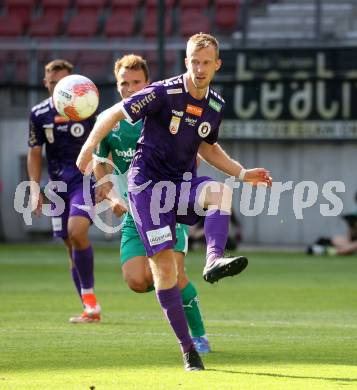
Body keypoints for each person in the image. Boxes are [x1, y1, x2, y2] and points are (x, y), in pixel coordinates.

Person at [77, 33, 272, 370]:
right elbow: (109, 115)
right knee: (163, 270)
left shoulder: (215, 105)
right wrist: (87, 148)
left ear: (216, 65)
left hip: (180, 185)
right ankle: (188, 350)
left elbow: (208, 147)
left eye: (206, 62)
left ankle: (212, 261)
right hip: (147, 191)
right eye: (194, 62)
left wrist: (241, 173)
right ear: (186, 62)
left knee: (220, 193)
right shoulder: (162, 93)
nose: (199, 68)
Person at [92, 54, 211, 353]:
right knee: (136, 280)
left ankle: (198, 336)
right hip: (135, 213)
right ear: (116, 84)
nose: (130, 89)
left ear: (148, 83)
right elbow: (100, 167)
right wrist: (113, 196)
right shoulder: (109, 120)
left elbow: (193, 153)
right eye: (124, 83)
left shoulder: (163, 112)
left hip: (167, 207)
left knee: (175, 274)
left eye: (137, 82)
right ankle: (167, 287)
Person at [27, 59, 101, 323]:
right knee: (70, 246)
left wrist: (105, 180)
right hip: (57, 186)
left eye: (67, 82)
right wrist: (35, 189)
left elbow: (104, 146)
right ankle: (89, 305)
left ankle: (90, 302)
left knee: (77, 231)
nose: (61, 87)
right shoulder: (39, 114)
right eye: (55, 83)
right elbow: (35, 154)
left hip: (84, 180)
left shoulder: (88, 108)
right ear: (46, 84)